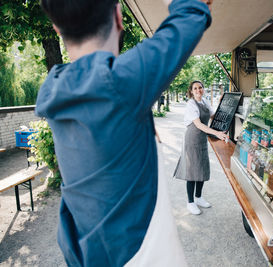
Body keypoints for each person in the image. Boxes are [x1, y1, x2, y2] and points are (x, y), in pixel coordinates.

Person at [35, 0, 213, 266]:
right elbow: (190, 15)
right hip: (136, 253)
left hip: (83, 250)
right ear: (119, 16)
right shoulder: (119, 81)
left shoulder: (53, 86)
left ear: (56, 28)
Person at [174, 81, 228, 215]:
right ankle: (190, 202)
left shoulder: (204, 101)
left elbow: (213, 116)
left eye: (200, 88)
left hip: (202, 138)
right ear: (191, 91)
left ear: (203, 89)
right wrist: (217, 133)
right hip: (192, 139)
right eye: (195, 88)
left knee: (202, 168)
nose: (198, 90)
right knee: (192, 171)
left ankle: (198, 198)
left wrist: (224, 105)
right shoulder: (191, 104)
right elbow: (198, 125)